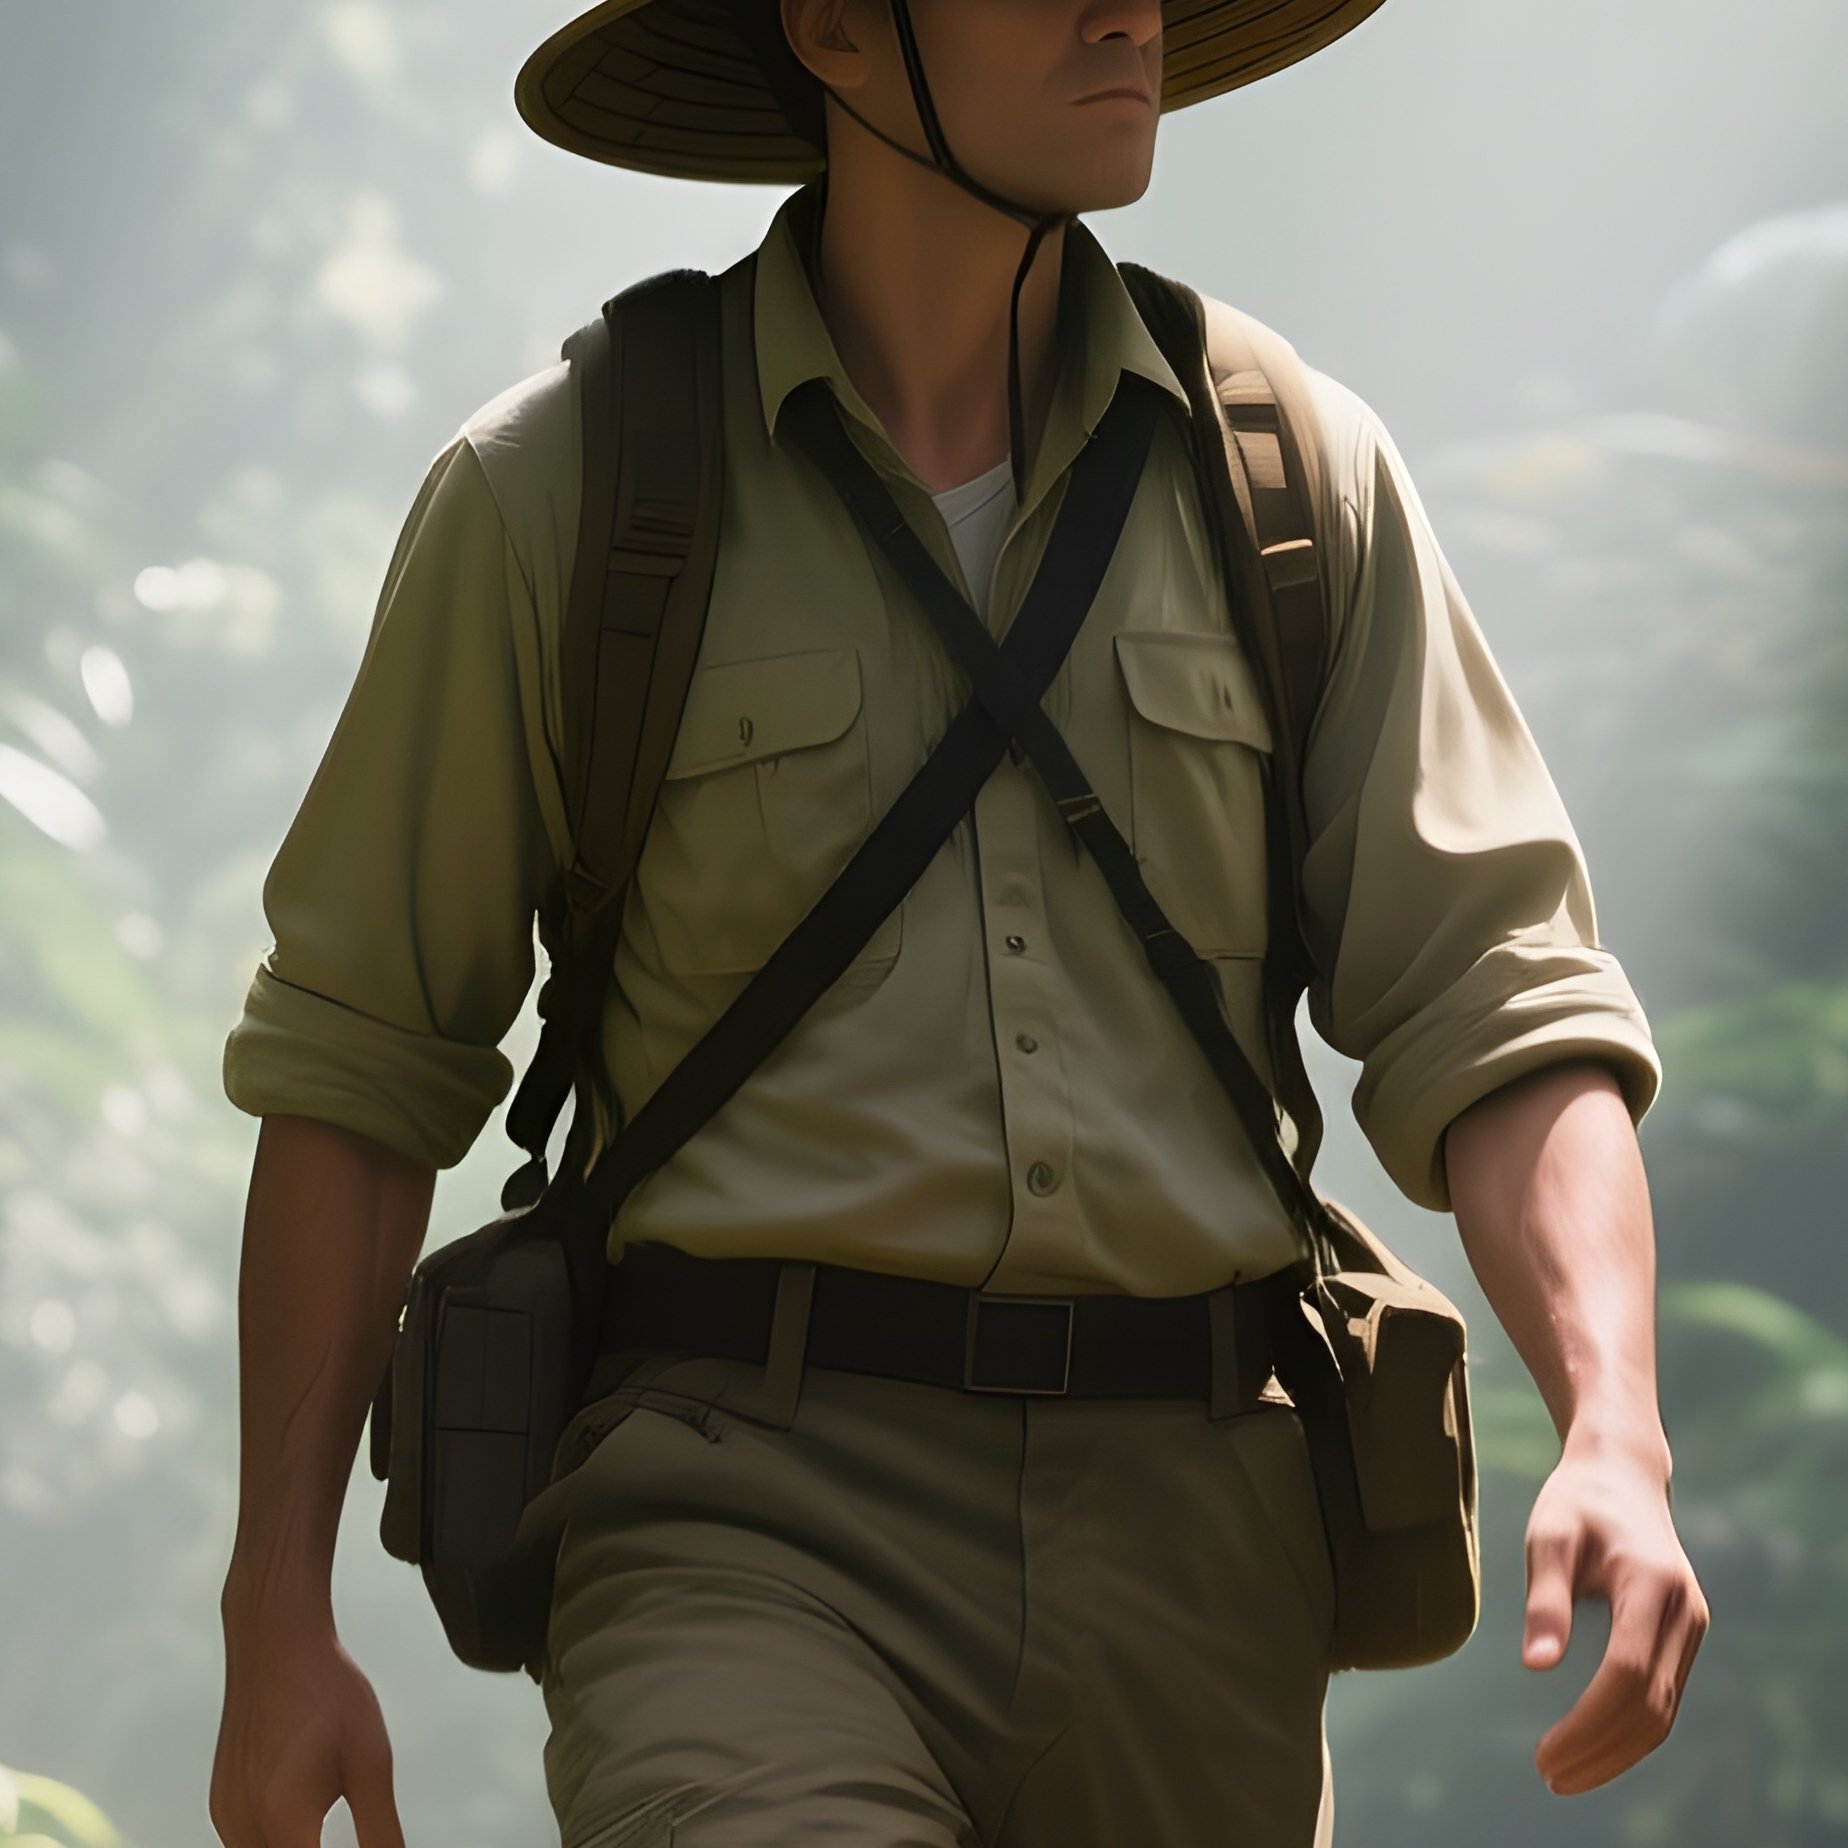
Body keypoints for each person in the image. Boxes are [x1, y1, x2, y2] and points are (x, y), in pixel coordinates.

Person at [208, 1, 1711, 1844]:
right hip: (739, 1515)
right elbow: (360, 1070)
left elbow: (1504, 1011)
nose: (1131, 8)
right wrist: (274, 1616)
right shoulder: (568, 494)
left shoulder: (1290, 483)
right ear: (835, 25)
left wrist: (1617, 1433)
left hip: (1209, 1555)